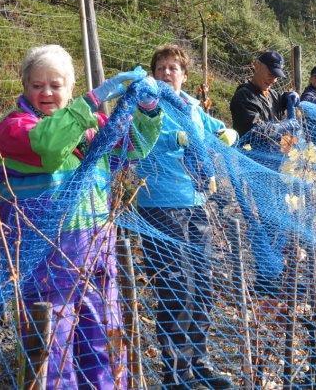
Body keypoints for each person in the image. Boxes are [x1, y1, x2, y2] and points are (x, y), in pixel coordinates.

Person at [0, 44, 161, 389]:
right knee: (54, 348)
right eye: (37, 85)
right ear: (24, 86)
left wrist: (149, 110)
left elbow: (133, 147)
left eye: (56, 85)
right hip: (45, 260)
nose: (47, 93)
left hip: (96, 251)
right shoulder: (15, 129)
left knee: (102, 339)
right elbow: (51, 148)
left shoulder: (91, 129)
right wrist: (93, 100)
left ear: (70, 88)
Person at [134, 44, 236, 389]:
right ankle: (175, 373)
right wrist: (176, 138)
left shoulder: (191, 105)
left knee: (202, 283)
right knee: (175, 285)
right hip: (160, 205)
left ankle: (198, 361)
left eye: (173, 68)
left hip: (196, 202)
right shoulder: (147, 103)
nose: (166, 73)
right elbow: (141, 137)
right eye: (160, 67)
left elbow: (215, 128)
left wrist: (225, 133)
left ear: (184, 75)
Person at [229, 50, 300, 298]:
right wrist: (286, 125)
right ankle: (265, 280)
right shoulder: (244, 97)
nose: (273, 79)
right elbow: (258, 130)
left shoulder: (268, 94)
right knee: (266, 223)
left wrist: (288, 98)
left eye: (277, 75)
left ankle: (273, 273)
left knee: (278, 221)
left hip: (275, 168)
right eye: (270, 73)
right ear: (256, 66)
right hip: (256, 168)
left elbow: (277, 104)